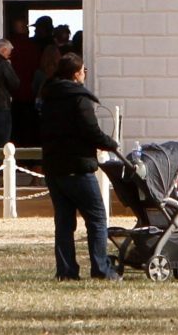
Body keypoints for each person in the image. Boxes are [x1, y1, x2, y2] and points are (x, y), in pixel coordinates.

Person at [38, 54, 120, 279]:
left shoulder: (48, 97)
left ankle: (66, 271)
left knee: (64, 222)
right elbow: (90, 131)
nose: (85, 73)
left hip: (54, 168)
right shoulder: (79, 99)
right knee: (97, 218)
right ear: (76, 73)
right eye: (84, 70)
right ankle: (101, 268)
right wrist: (111, 144)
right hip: (77, 167)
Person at [5, 16, 42, 146]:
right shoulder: (33, 47)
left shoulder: (10, 46)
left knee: (14, 131)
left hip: (12, 96)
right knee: (30, 130)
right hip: (30, 94)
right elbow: (38, 68)